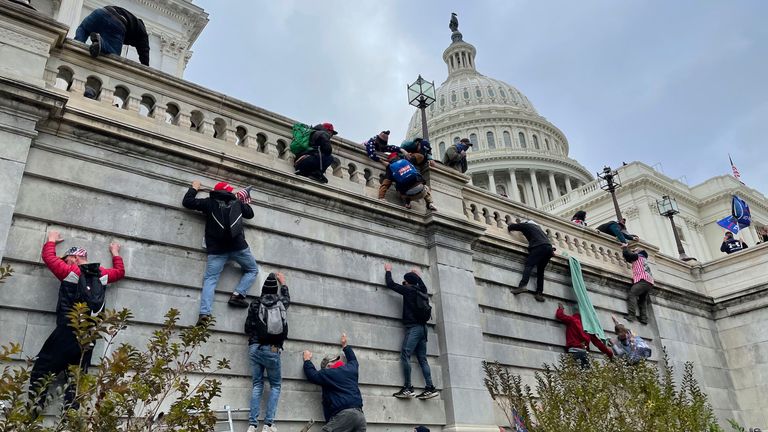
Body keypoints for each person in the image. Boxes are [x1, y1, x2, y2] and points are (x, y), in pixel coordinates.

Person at [29, 230, 125, 411]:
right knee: (76, 376)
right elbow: (120, 272)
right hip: (89, 335)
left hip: (67, 330)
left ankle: (33, 411)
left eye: (67, 258)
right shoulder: (102, 275)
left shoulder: (69, 271)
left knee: (42, 370)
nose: (65, 262)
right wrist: (115, 252)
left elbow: (49, 258)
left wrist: (51, 240)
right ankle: (70, 417)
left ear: (74, 257)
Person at [182, 180, 259, 325]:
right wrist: (240, 199)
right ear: (228, 192)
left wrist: (194, 188)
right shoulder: (236, 202)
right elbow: (250, 214)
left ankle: (204, 314)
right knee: (252, 270)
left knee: (210, 280)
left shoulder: (209, 203)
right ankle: (238, 295)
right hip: (239, 247)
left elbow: (187, 202)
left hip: (216, 250)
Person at [384, 264, 439, 400]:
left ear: (407, 282)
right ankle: (430, 388)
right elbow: (420, 283)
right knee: (422, 359)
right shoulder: (422, 290)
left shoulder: (408, 290)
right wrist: (417, 276)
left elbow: (391, 284)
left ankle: (408, 388)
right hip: (423, 329)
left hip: (413, 328)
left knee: (405, 355)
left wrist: (388, 270)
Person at [244, 273, 290, 432]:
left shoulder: (255, 303)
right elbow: (287, 299)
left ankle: (252, 424)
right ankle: (268, 424)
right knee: (275, 385)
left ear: (263, 290)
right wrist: (283, 284)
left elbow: (247, 328)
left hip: (254, 347)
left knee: (257, 384)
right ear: (275, 290)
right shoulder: (280, 303)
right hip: (272, 349)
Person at [303, 333, 366, 432]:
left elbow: (312, 375)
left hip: (345, 415)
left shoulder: (328, 374)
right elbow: (353, 360)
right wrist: (345, 346)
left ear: (328, 366)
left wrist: (307, 360)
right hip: (360, 417)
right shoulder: (351, 368)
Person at [74, 6, 150, 66]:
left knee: (83, 28)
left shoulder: (131, 19)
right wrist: (146, 69)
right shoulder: (142, 33)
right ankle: (100, 43)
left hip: (100, 13)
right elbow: (145, 52)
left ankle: (77, 43)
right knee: (114, 55)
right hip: (116, 22)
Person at [507, 218, 554, 302]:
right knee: (540, 271)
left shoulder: (526, 225)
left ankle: (522, 286)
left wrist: (510, 224)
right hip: (549, 249)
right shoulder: (539, 229)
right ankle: (539, 293)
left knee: (529, 265)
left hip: (539, 247)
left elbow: (512, 227)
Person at [555, 303, 613, 368]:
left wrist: (561, 309)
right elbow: (598, 343)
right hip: (584, 353)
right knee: (586, 375)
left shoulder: (572, 320)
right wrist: (609, 353)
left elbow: (559, 316)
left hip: (573, 351)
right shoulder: (588, 327)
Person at [622, 246, 653, 324]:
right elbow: (629, 259)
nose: (633, 251)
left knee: (632, 294)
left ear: (639, 252)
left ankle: (631, 315)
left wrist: (625, 248)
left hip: (642, 280)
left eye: (635, 250)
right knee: (642, 300)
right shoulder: (643, 259)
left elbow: (627, 255)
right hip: (649, 282)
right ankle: (644, 318)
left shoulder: (638, 256)